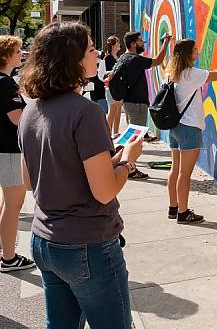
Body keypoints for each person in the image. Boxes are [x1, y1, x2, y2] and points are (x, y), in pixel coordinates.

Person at [18, 21, 143, 328]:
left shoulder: (31, 110)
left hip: (44, 241)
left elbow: (30, 181)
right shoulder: (86, 112)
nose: (97, 54)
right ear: (70, 59)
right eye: (90, 49)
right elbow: (104, 192)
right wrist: (127, 162)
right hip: (87, 245)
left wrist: (103, 160)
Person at [166, 38, 217, 224]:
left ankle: (173, 208)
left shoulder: (172, 73)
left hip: (175, 126)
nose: (198, 51)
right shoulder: (191, 74)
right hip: (190, 128)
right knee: (185, 174)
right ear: (187, 53)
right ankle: (184, 213)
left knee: (176, 168)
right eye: (195, 49)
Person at [0, 35, 35, 272]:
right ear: (5, 55)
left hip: (4, 150)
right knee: (14, 204)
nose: (21, 54)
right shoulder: (5, 83)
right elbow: (17, 119)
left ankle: (5, 251)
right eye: (18, 51)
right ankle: (9, 258)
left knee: (6, 203)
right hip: (9, 150)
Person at [120, 31, 171, 161]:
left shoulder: (124, 58)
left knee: (132, 134)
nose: (143, 42)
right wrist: (165, 43)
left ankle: (122, 158)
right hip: (137, 104)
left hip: (130, 102)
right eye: (140, 40)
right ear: (133, 44)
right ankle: (129, 165)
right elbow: (158, 61)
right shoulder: (135, 59)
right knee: (136, 138)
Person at [99, 36, 122, 138]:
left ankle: (116, 132)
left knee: (118, 109)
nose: (119, 45)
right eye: (118, 43)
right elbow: (105, 74)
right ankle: (107, 134)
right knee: (112, 110)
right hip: (110, 88)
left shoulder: (117, 57)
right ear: (113, 45)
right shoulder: (107, 58)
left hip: (118, 87)